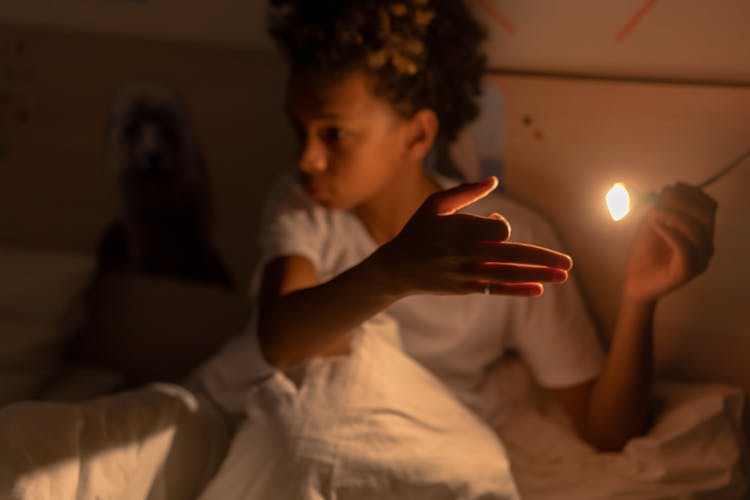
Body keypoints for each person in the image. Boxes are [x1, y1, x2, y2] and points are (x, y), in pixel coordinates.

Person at [239, 0, 716, 454]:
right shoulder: (304, 206)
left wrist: (640, 299)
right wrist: (390, 274)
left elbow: (603, 432)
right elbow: (280, 342)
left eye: (334, 133)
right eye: (299, 130)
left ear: (418, 134)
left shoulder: (504, 237)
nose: (307, 159)